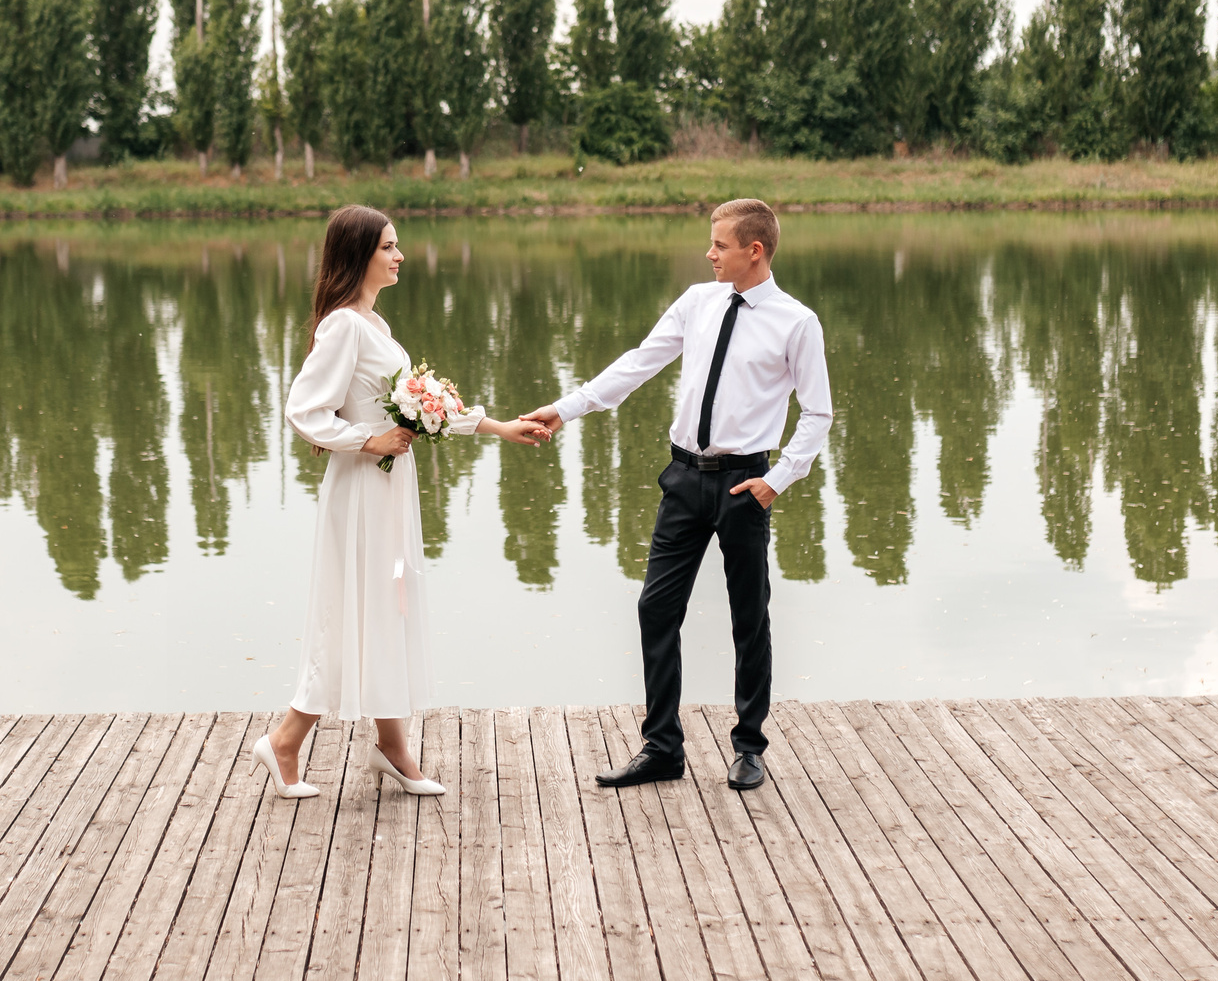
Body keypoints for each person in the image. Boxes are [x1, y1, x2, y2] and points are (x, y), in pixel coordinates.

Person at [528, 198, 831, 791]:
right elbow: (639, 364)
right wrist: (566, 409)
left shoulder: (797, 322)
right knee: (655, 608)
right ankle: (662, 747)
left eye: (719, 244)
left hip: (747, 483)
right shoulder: (697, 302)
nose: (709, 253)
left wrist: (778, 479)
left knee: (750, 616)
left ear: (755, 250)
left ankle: (749, 747)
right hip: (683, 479)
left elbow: (817, 412)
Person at [256, 205, 551, 800]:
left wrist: (498, 427)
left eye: (397, 246)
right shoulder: (344, 326)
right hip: (362, 489)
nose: (399, 256)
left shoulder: (377, 328)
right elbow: (304, 411)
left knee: (389, 604)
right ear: (359, 254)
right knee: (353, 608)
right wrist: (367, 441)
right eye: (389, 247)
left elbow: (424, 407)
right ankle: (285, 741)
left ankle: (392, 747)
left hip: (390, 488)